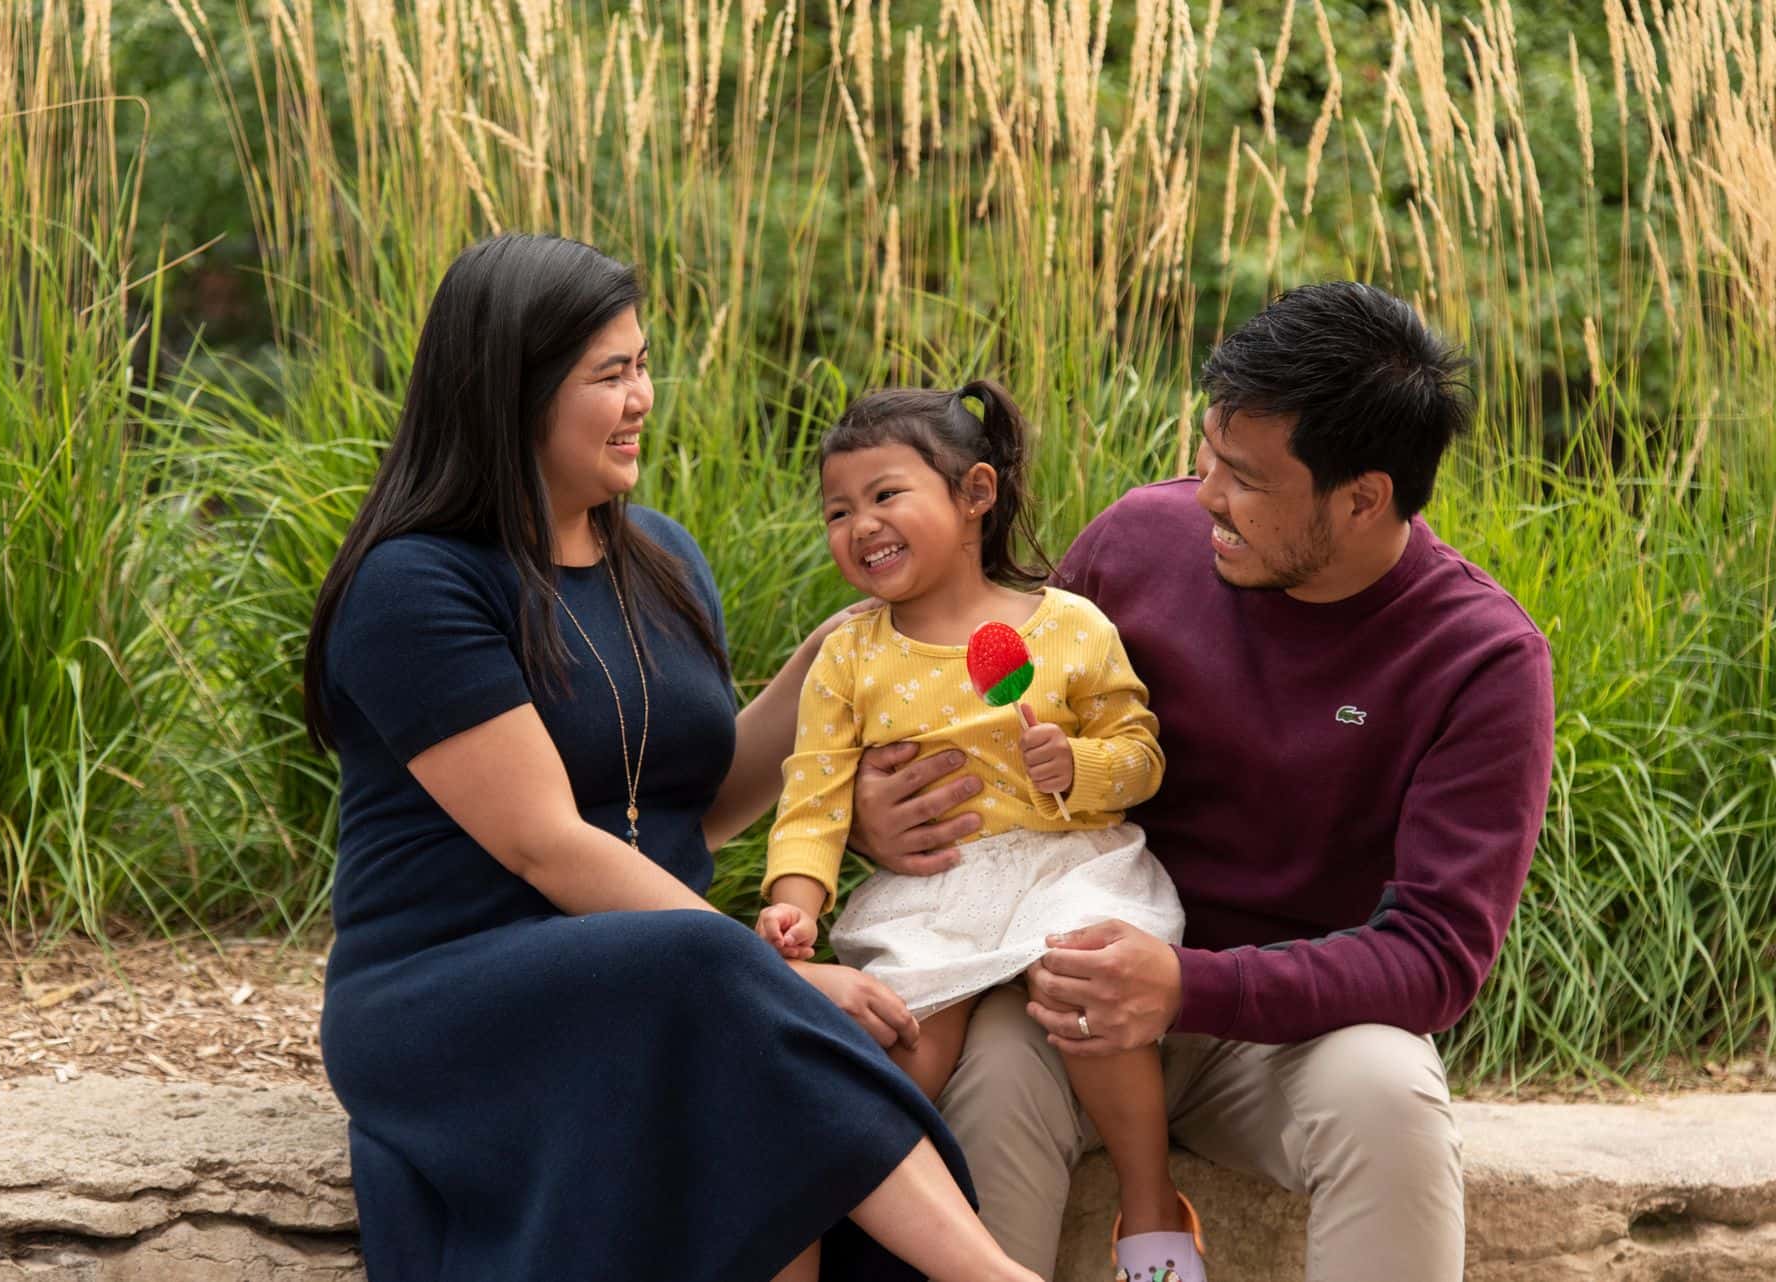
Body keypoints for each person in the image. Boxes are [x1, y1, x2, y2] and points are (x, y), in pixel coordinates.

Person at [303, 233, 1040, 1282]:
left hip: (661, 970)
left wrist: (835, 662)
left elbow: (699, 798)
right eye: (611, 374)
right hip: (455, 988)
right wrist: (775, 982)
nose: (643, 394)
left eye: (642, 363)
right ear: (513, 390)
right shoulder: (415, 586)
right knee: (715, 986)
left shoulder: (660, 556)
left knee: (754, 1039)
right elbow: (549, 846)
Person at [845, 283, 1555, 1282]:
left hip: (1290, 1031)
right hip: (1069, 986)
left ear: (1364, 498)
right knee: (994, 1077)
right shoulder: (1141, 539)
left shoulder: (1478, 657)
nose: (1208, 494)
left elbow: (1437, 958)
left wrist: (1186, 985)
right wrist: (879, 817)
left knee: (1391, 1102)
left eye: (1248, 478)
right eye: (1210, 452)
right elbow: (994, 723)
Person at [754, 381, 1206, 1282]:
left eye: (886, 495)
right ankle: (830, 1200)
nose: (859, 525)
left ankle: (1151, 1207)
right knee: (906, 1033)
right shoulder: (850, 655)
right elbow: (813, 800)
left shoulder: (1068, 627)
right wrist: (793, 905)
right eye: (837, 510)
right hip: (939, 890)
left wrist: (1078, 767)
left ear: (975, 494)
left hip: (1066, 867)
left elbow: (1139, 751)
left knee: (1083, 985)